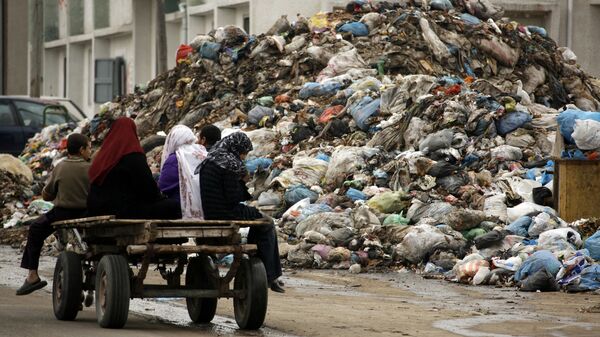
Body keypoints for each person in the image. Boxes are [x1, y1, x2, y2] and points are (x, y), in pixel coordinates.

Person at [198, 132, 285, 293]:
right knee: (267, 223)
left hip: (210, 211)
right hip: (226, 211)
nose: (244, 157)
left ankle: (264, 269)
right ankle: (268, 273)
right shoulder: (229, 164)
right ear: (237, 149)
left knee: (259, 218)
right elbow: (233, 197)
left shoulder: (211, 159)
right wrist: (243, 182)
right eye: (244, 152)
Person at [17, 133, 91, 296]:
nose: (90, 151)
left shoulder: (60, 167)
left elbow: (47, 196)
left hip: (63, 214)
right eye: (89, 147)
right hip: (87, 214)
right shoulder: (91, 167)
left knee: (35, 229)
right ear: (81, 149)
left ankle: (32, 276)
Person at [87, 117, 180, 219]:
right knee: (173, 206)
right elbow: (149, 192)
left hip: (96, 210)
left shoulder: (102, 157)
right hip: (123, 212)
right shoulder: (134, 156)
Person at [159, 125, 208, 219]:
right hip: (208, 205)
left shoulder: (174, 158)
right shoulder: (202, 152)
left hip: (181, 207)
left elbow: (163, 186)